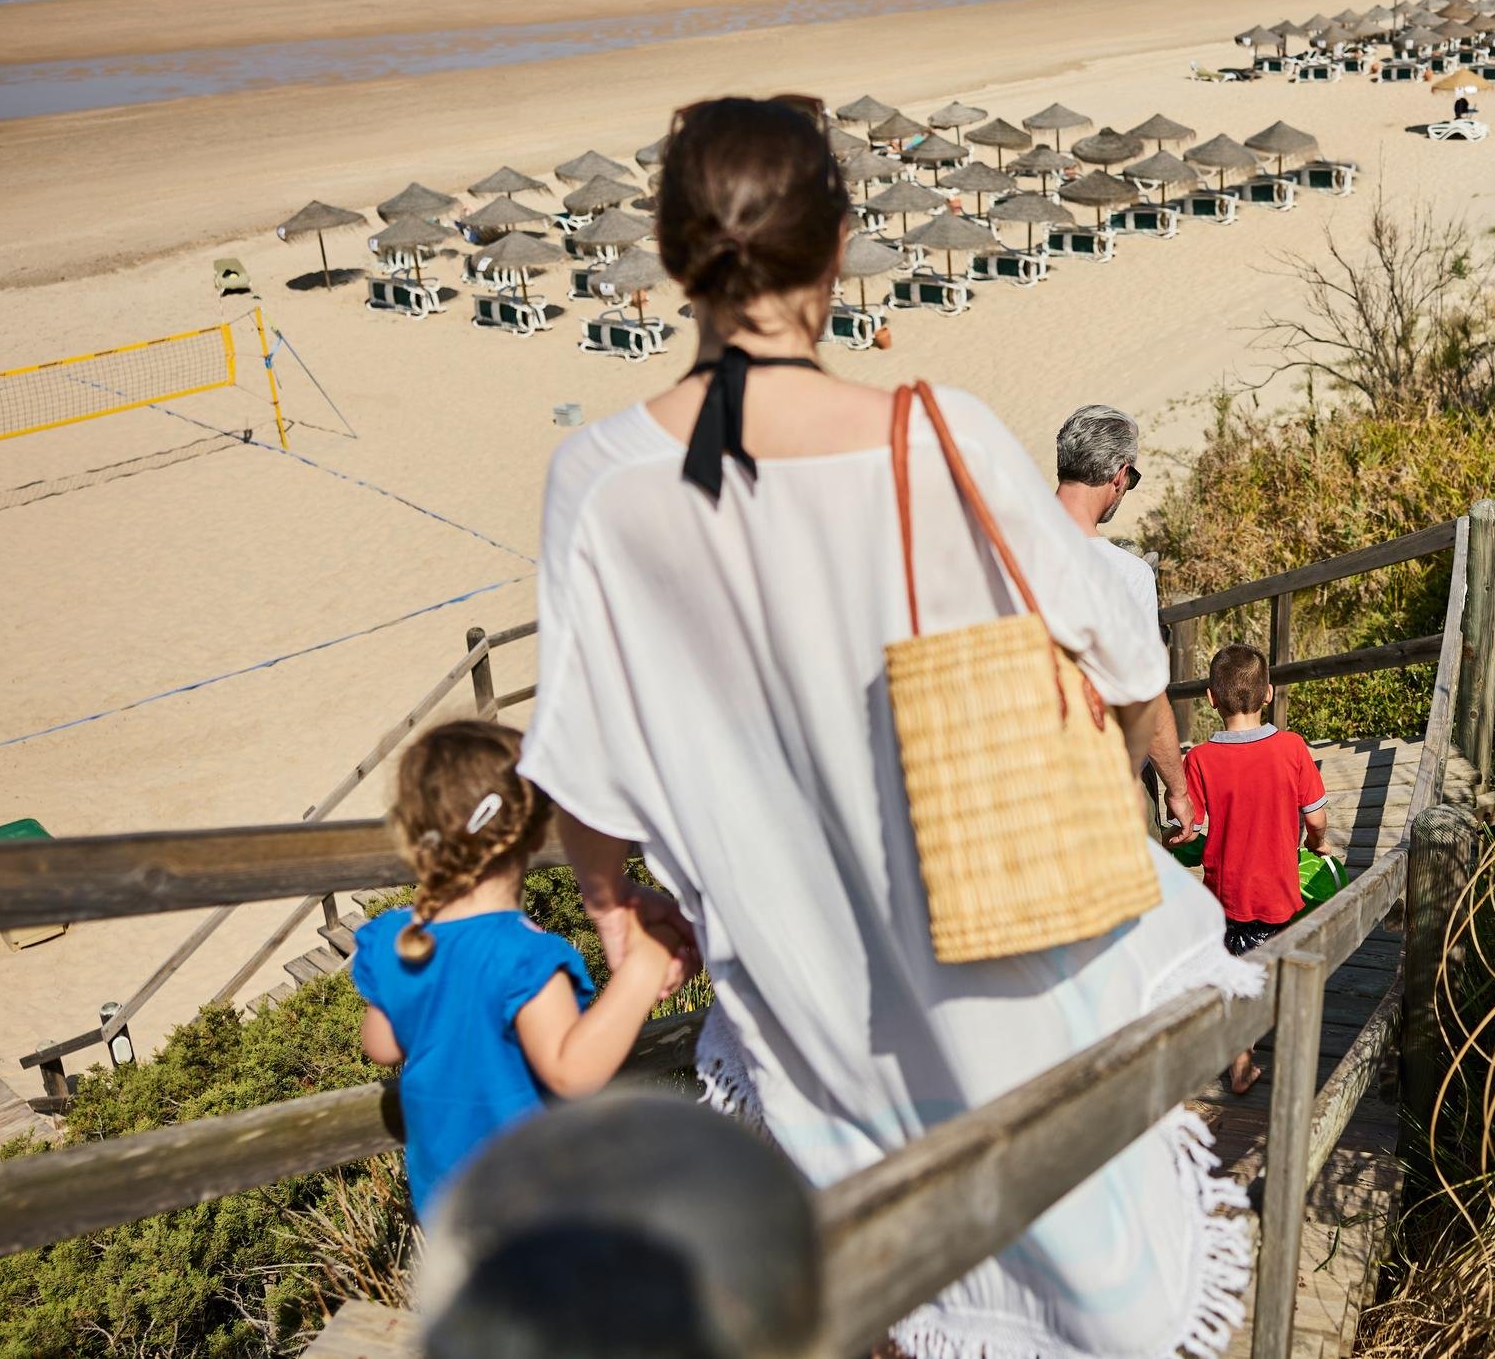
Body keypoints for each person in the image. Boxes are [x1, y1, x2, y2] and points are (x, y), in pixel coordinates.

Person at [517, 96, 1263, 1358]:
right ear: (842, 243)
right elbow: (1124, 646)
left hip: (801, 981)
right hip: (1001, 939)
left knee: (877, 1295)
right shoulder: (940, 433)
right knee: (1070, 1265)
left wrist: (616, 922)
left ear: (673, 250)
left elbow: (582, 767)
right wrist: (1154, 744)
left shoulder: (600, 485)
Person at [352, 719, 682, 1224]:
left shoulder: (396, 937)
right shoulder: (522, 957)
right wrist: (645, 966)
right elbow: (572, 1073)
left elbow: (381, 1045)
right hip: (534, 1204)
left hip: (444, 1202)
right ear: (530, 836)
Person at [1174, 645, 1330, 1097]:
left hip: (1227, 897)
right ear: (1269, 693)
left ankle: (1241, 1064)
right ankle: (1294, 1060)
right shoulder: (1292, 747)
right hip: (1280, 893)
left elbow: (1191, 828)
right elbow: (1315, 818)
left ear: (1210, 698)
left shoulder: (1199, 759)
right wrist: (1319, 845)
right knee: (1283, 971)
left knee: (1237, 975)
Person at [1052, 403, 1193, 833]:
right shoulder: (1126, 574)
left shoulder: (1001, 542)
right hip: (1102, 784)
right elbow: (1142, 699)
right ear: (1119, 474)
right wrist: (1177, 789)